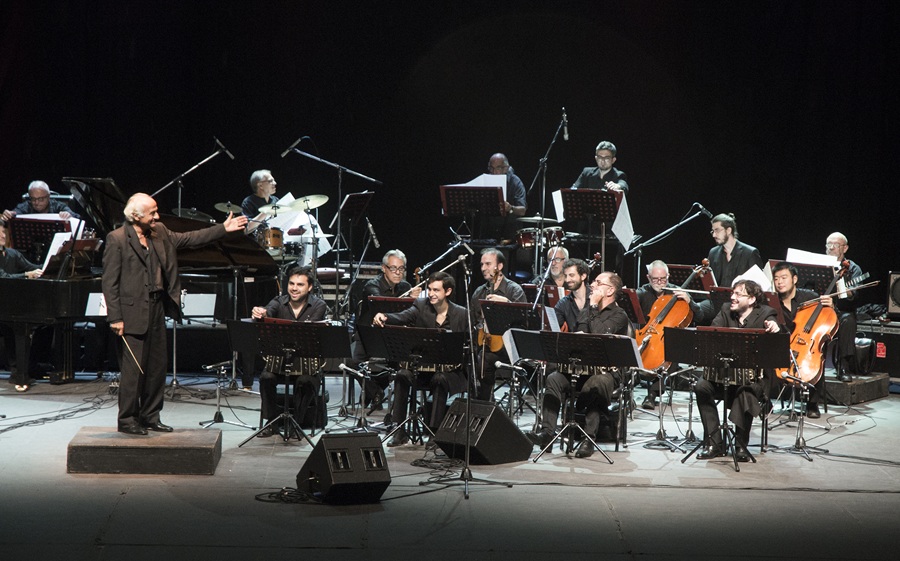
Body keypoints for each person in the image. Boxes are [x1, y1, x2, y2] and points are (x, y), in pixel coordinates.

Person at [102, 193, 247, 435]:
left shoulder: (159, 232)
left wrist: (223, 229)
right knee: (133, 371)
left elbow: (191, 238)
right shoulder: (116, 239)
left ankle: (150, 416)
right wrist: (115, 317)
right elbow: (109, 282)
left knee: (157, 368)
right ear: (136, 216)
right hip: (130, 313)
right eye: (152, 213)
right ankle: (127, 419)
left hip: (157, 307)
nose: (157, 216)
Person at [526, 271, 630, 458]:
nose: (593, 285)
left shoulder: (619, 315)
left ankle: (588, 439)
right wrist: (590, 311)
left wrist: (591, 305)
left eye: (598, 283)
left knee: (595, 384)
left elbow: (599, 333)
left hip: (607, 373)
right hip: (581, 368)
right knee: (554, 379)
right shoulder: (589, 309)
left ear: (610, 290)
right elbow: (581, 333)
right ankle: (547, 433)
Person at [373, 271, 469, 446]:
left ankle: (434, 432)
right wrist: (385, 316)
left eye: (436, 290)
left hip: (451, 373)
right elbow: (402, 317)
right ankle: (399, 431)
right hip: (423, 370)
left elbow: (469, 346)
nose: (431, 294)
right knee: (402, 374)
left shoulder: (462, 314)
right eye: (430, 289)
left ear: (447, 292)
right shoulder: (421, 306)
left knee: (440, 379)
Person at [694, 279, 780, 462]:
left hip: (753, 380)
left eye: (738, 294)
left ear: (751, 299)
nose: (732, 297)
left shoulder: (765, 312)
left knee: (746, 391)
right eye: (733, 293)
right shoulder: (726, 310)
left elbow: (773, 323)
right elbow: (711, 332)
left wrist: (774, 326)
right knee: (701, 386)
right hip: (723, 376)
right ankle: (714, 443)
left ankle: (741, 445)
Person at [251, 266, 328, 437]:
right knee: (266, 377)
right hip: (281, 362)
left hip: (306, 363)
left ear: (309, 287)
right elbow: (267, 311)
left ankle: (297, 425)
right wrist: (260, 313)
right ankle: (272, 423)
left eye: (300, 285)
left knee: (306, 380)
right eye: (292, 283)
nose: (294, 288)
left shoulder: (318, 305)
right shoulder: (278, 302)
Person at [351, 249, 421, 407]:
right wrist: (407, 299)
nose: (398, 272)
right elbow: (382, 305)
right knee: (352, 362)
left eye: (401, 269)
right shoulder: (372, 285)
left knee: (401, 366)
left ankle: (391, 402)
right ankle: (375, 391)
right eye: (393, 268)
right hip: (368, 333)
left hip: (392, 334)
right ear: (383, 268)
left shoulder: (406, 286)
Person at [635, 260, 701, 410]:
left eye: (663, 279)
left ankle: (652, 394)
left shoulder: (678, 293)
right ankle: (626, 388)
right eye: (655, 279)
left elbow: (701, 315)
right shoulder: (642, 292)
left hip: (669, 341)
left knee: (670, 354)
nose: (659, 282)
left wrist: (689, 301)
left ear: (668, 276)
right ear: (648, 277)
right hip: (647, 336)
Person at [772, 261, 831, 418]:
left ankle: (812, 404)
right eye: (776, 278)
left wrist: (830, 305)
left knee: (818, 357)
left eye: (784, 277)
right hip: (782, 345)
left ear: (795, 279)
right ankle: (765, 402)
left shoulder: (810, 297)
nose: (779, 282)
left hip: (807, 346)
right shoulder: (772, 302)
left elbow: (830, 318)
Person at [470, 247, 527, 402]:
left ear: (499, 266)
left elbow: (523, 322)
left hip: (508, 347)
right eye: (482, 265)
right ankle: (477, 401)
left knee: (484, 359)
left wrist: (507, 304)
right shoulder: (479, 292)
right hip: (485, 344)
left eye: (488, 264)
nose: (483, 268)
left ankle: (485, 402)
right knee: (470, 356)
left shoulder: (514, 290)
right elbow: (473, 322)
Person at [0, 220, 44, 392]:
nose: (3, 235)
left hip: (11, 304)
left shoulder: (12, 253)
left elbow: (32, 267)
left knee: (18, 329)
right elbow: (3, 277)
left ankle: (21, 370)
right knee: (12, 330)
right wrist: (27, 275)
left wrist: (52, 263)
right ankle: (18, 372)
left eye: (4, 232)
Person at [825, 232, 864, 383]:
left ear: (845, 248)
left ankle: (843, 366)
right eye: (829, 244)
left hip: (841, 311)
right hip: (821, 310)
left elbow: (853, 294)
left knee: (848, 320)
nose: (831, 248)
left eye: (835, 245)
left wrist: (840, 283)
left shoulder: (853, 269)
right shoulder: (819, 264)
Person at [477, 153, 527, 242]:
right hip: (488, 234)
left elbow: (523, 210)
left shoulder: (515, 182)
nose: (494, 172)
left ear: (506, 168)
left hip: (509, 234)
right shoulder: (485, 180)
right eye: (491, 168)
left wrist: (510, 208)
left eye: (498, 168)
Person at [2, 181, 80, 222]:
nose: (36, 203)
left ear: (48, 197)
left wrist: (69, 216)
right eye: (33, 199)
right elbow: (14, 214)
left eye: (40, 199)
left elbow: (77, 218)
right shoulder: (25, 207)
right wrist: (8, 215)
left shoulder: (58, 206)